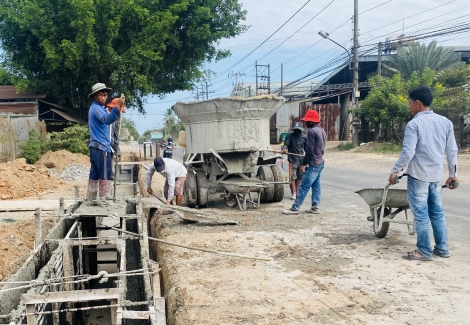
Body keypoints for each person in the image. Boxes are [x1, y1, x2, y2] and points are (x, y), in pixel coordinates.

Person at [389, 85, 458, 261]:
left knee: (421, 214)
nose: (409, 106)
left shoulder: (414, 124)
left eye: (410, 103)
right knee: (437, 212)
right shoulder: (445, 122)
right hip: (436, 176)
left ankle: (424, 251)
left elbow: (408, 152)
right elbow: (452, 150)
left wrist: (395, 171)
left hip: (419, 175)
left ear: (417, 103)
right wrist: (452, 174)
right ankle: (442, 248)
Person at [283, 110, 326, 215]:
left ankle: (294, 208)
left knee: (303, 187)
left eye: (307, 121)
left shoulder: (312, 132)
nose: (306, 123)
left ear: (311, 121)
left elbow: (310, 149)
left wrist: (303, 164)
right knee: (316, 186)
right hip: (320, 162)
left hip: (313, 164)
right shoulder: (322, 131)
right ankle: (315, 207)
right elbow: (322, 148)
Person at [87, 83, 125, 203]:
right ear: (94, 96)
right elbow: (107, 120)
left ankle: (92, 198)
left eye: (105, 95)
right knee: (105, 173)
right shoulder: (97, 109)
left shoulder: (96, 108)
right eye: (101, 95)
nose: (104, 98)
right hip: (101, 146)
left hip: (95, 146)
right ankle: (104, 199)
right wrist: (117, 107)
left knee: (95, 172)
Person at [281, 122, 307, 200]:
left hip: (301, 159)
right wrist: (284, 149)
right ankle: (294, 193)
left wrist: (307, 159)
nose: (297, 131)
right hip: (292, 159)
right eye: (295, 130)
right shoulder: (289, 136)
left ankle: (297, 192)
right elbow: (286, 144)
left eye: (298, 130)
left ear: (301, 130)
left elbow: (306, 148)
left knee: (299, 177)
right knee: (292, 177)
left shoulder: (304, 137)